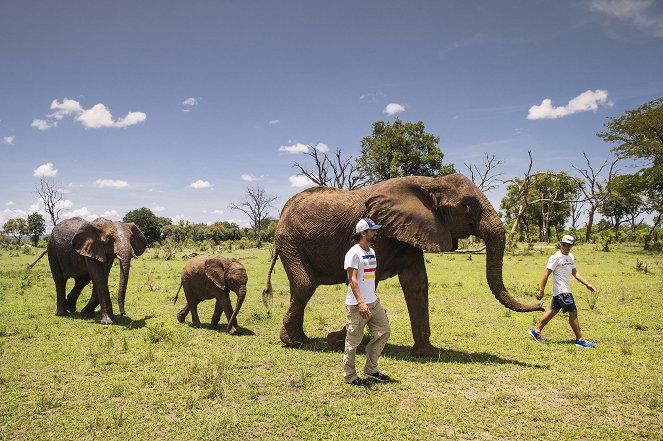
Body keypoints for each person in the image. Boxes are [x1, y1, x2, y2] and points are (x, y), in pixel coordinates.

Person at [343, 218, 392, 386]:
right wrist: (361, 302)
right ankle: (350, 375)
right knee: (353, 341)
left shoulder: (371, 251)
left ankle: (371, 369)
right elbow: (353, 280)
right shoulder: (354, 253)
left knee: (384, 330)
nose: (375, 233)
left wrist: (371, 298)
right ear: (363, 233)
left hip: (373, 302)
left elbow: (368, 278)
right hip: (358, 305)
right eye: (372, 230)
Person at [529, 235, 597, 348]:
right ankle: (580, 339)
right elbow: (546, 273)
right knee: (573, 312)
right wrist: (541, 290)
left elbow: (575, 273)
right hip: (562, 290)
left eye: (568, 245)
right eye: (564, 244)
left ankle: (536, 331)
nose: (565, 247)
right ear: (560, 243)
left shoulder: (570, 256)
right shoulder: (556, 257)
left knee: (553, 310)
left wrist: (587, 284)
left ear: (571, 246)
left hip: (563, 290)